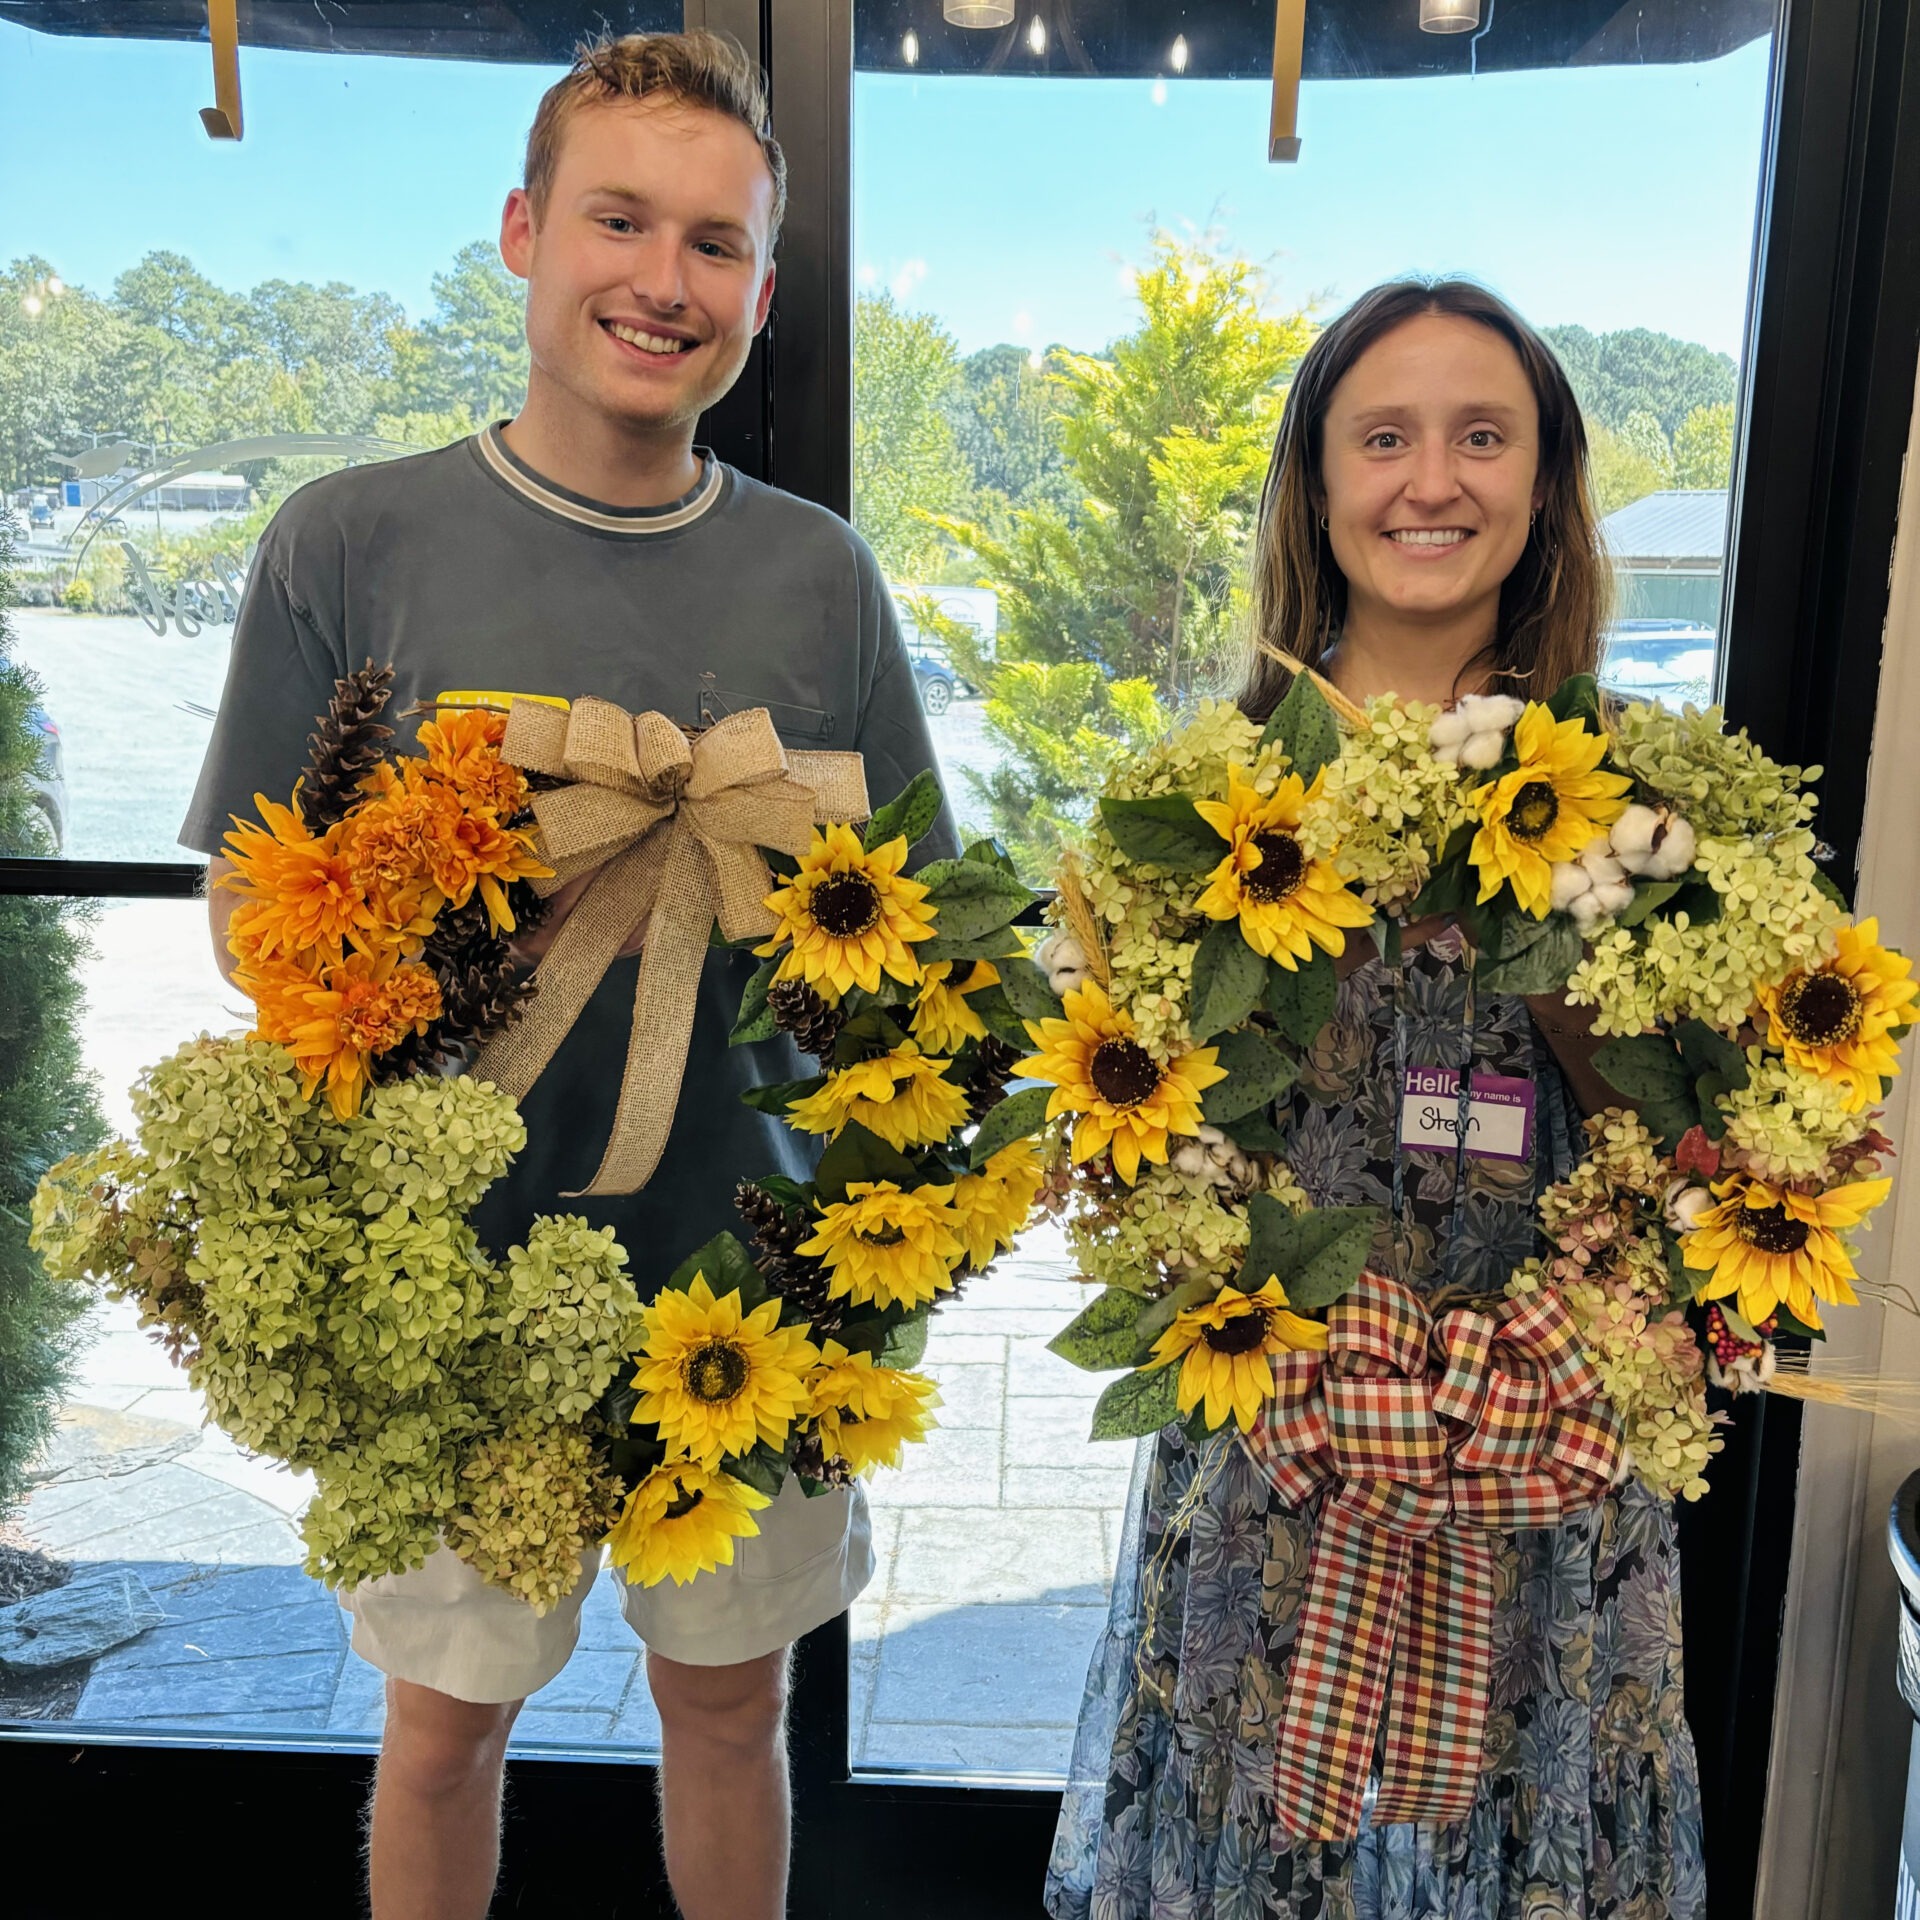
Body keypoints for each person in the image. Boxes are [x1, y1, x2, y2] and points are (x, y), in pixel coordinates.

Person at [181, 32, 953, 1920]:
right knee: (440, 1725)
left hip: (742, 1268)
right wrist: (395, 957)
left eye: (714, 245)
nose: (661, 281)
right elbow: (242, 908)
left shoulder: (823, 577)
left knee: (728, 1703)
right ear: (524, 233)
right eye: (619, 219)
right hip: (452, 1283)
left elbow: (920, 915)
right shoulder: (348, 543)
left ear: (761, 296)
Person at [1044, 280, 1706, 1919]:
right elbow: (1124, 1140)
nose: (1433, 482)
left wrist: (1594, 1338)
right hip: (1287, 1456)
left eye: (1483, 436)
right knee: (1268, 1835)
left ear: (1543, 483)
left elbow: (1735, 1139)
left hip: (1550, 1467)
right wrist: (1260, 1323)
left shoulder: (1648, 795)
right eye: (1385, 436)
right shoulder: (1209, 794)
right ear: (1316, 483)